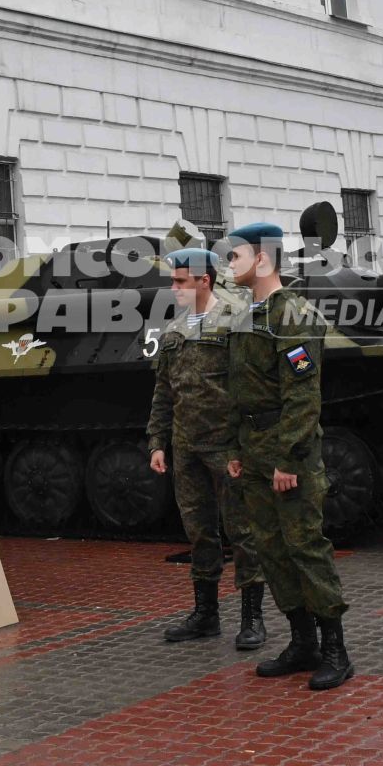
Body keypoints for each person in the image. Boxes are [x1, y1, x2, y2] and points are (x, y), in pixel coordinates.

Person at [222, 221, 352, 690]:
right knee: (272, 550)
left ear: (262, 259)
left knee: (305, 547)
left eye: (235, 255)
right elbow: (240, 393)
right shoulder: (243, 316)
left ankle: (335, 649)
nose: (227, 263)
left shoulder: (293, 316)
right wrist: (236, 450)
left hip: (285, 452)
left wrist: (287, 459)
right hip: (253, 453)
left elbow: (302, 396)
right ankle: (303, 643)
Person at [146, 247, 266, 649]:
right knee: (199, 533)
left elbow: (250, 389)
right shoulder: (174, 331)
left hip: (226, 448)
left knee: (242, 532)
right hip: (186, 449)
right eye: (173, 281)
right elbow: (163, 393)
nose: (174, 288)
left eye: (181, 281)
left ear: (204, 280)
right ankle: (205, 615)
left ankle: (252, 618)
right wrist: (157, 443)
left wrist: (244, 446)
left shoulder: (235, 324)